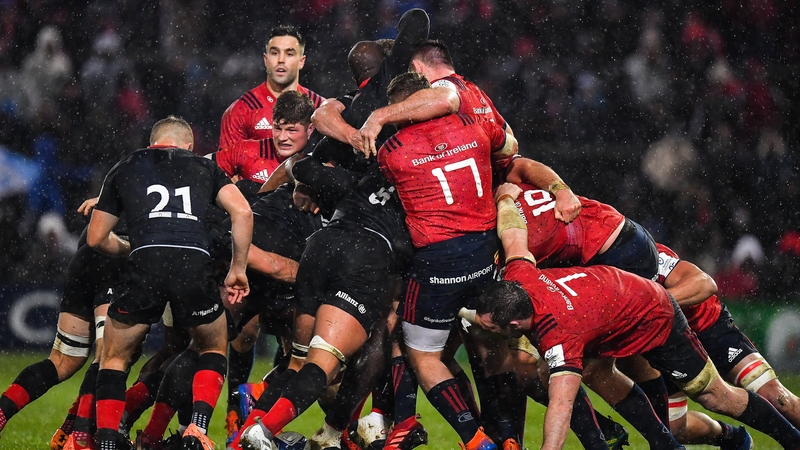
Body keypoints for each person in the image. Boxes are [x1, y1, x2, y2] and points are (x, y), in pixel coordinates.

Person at [474, 182, 800, 450]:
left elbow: (561, 404)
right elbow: (514, 234)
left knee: (732, 397)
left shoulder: (637, 259)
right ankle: (692, 441)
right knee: (611, 381)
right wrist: (506, 197)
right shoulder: (526, 272)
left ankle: (790, 440)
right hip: (635, 320)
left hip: (675, 318)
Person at [229, 137, 411, 450]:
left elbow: (302, 166)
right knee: (326, 364)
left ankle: (244, 437)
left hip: (318, 249)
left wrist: (304, 184)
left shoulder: (362, 174)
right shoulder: (418, 190)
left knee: (297, 363)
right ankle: (267, 432)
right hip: (362, 255)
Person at [87, 116, 253, 450]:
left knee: (114, 358)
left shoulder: (126, 166)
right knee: (212, 346)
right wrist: (238, 269)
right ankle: (197, 428)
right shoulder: (205, 167)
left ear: (152, 144)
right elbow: (243, 213)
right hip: (193, 263)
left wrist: (133, 248)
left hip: (146, 263)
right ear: (190, 146)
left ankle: (105, 440)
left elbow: (96, 238)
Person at [377, 72, 517, 450]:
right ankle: (509, 436)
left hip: (437, 261)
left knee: (422, 354)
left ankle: (473, 438)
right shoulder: (475, 124)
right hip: (485, 252)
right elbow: (509, 147)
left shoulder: (392, 150)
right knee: (493, 350)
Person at [655, 242, 800, 444]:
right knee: (675, 428)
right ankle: (732, 438)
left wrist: (652, 304)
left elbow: (705, 284)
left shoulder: (641, 252)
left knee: (775, 396)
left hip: (708, 328)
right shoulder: (613, 266)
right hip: (668, 344)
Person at [0, 218, 123, 448]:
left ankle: (3, 412)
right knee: (109, 357)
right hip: (116, 256)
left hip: (85, 253)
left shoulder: (114, 194)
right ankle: (79, 437)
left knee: (62, 361)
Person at [218, 25, 324, 151]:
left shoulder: (320, 108)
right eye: (274, 53)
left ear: (302, 61)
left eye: (289, 54)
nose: (281, 60)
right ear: (265, 59)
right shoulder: (241, 111)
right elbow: (228, 161)